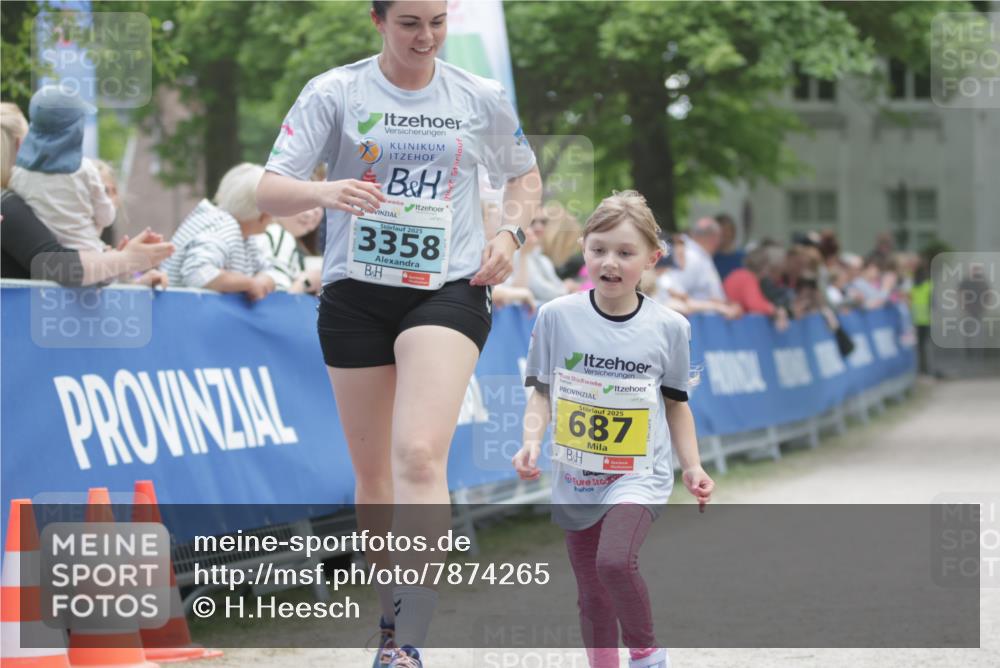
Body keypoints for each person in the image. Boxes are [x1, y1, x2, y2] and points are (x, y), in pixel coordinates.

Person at [254, 2, 540, 665]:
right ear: (378, 21)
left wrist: (511, 232)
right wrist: (327, 194)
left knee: (416, 454)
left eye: (437, 21)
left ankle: (409, 639)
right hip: (357, 290)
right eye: (410, 22)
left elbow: (524, 176)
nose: (427, 36)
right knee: (373, 476)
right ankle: (389, 619)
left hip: (448, 288)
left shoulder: (480, 95)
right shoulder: (337, 91)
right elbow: (269, 190)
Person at [513, 191, 714, 668]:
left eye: (625, 253)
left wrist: (692, 466)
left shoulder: (670, 327)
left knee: (614, 563)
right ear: (583, 248)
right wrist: (529, 442)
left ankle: (646, 654)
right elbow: (540, 390)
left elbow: (676, 404)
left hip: (639, 472)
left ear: (652, 258)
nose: (610, 262)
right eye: (599, 248)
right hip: (578, 475)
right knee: (592, 594)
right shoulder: (556, 316)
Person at [1, 101, 173, 286]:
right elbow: (56, 266)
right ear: (20, 145)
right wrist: (127, 259)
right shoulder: (6, 205)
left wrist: (124, 273)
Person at [8, 85, 116, 252]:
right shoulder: (85, 170)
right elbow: (107, 217)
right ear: (75, 129)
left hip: (40, 258)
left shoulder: (18, 174)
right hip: (87, 257)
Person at [163, 163, 275, 300]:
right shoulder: (222, 226)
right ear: (264, 214)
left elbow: (267, 270)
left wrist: (263, 280)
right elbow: (197, 274)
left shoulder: (246, 237)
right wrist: (250, 283)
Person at [258, 207, 324, 294]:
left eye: (318, 205)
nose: (310, 214)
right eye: (304, 203)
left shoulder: (293, 243)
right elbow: (279, 301)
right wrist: (307, 282)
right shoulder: (279, 235)